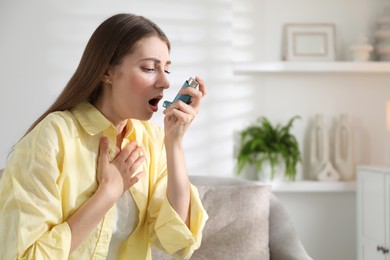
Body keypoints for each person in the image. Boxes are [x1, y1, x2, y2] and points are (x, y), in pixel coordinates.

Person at [0, 13, 208, 260]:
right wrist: (108, 193)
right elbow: (23, 256)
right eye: (150, 68)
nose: (164, 82)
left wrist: (174, 143)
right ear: (107, 72)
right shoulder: (52, 137)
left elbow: (174, 240)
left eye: (167, 70)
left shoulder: (151, 140)